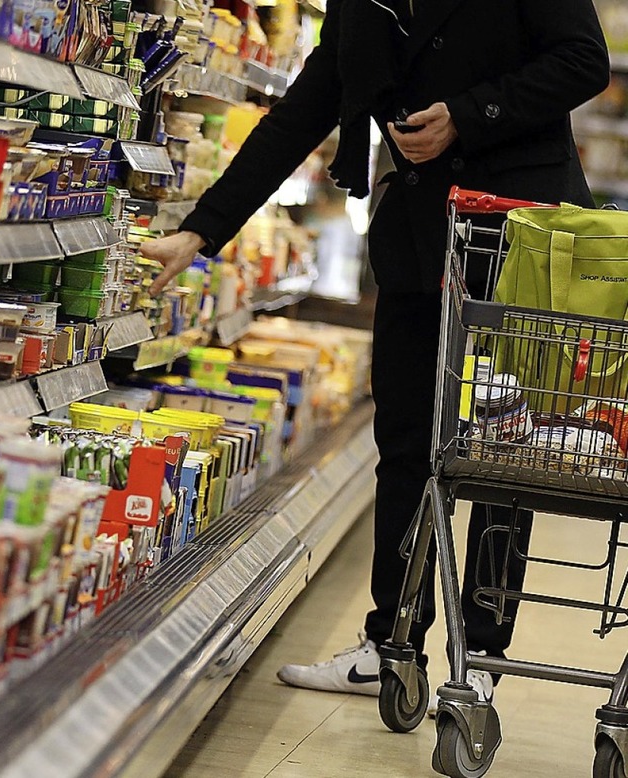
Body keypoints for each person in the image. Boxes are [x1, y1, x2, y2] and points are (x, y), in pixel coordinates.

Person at [142, 0, 610, 704]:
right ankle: (391, 644)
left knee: (504, 454)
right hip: (420, 240)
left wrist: (467, 111)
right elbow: (302, 111)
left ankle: (481, 656)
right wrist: (203, 231)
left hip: (520, 239)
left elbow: (583, 62)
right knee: (404, 445)